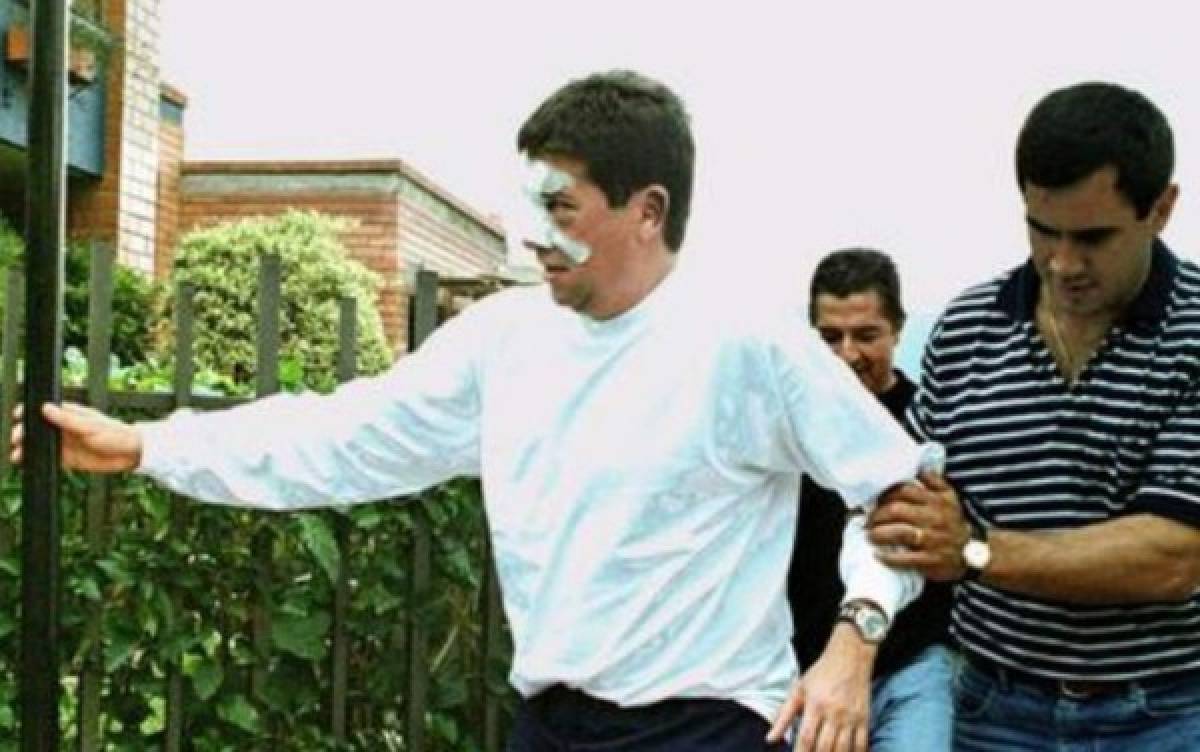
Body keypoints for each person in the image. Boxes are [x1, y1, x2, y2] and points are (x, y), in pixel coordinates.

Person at [15, 70, 930, 752]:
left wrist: (853, 644)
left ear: (647, 210)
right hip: (550, 721)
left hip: (708, 724)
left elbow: (897, 495)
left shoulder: (748, 344)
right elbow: (337, 436)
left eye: (561, 207)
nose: (535, 232)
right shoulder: (504, 341)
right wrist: (148, 445)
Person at [869, 81, 1200, 751]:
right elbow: (904, 513)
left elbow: (1173, 557)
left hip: (1166, 716)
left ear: (1161, 209)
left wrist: (974, 549)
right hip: (990, 708)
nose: (1063, 263)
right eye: (1042, 230)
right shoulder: (964, 330)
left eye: (1093, 237)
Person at [788, 248, 953, 751]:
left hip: (912, 668)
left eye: (865, 335)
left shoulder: (929, 424)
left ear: (898, 329)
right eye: (830, 337)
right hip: (807, 669)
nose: (847, 354)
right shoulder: (786, 432)